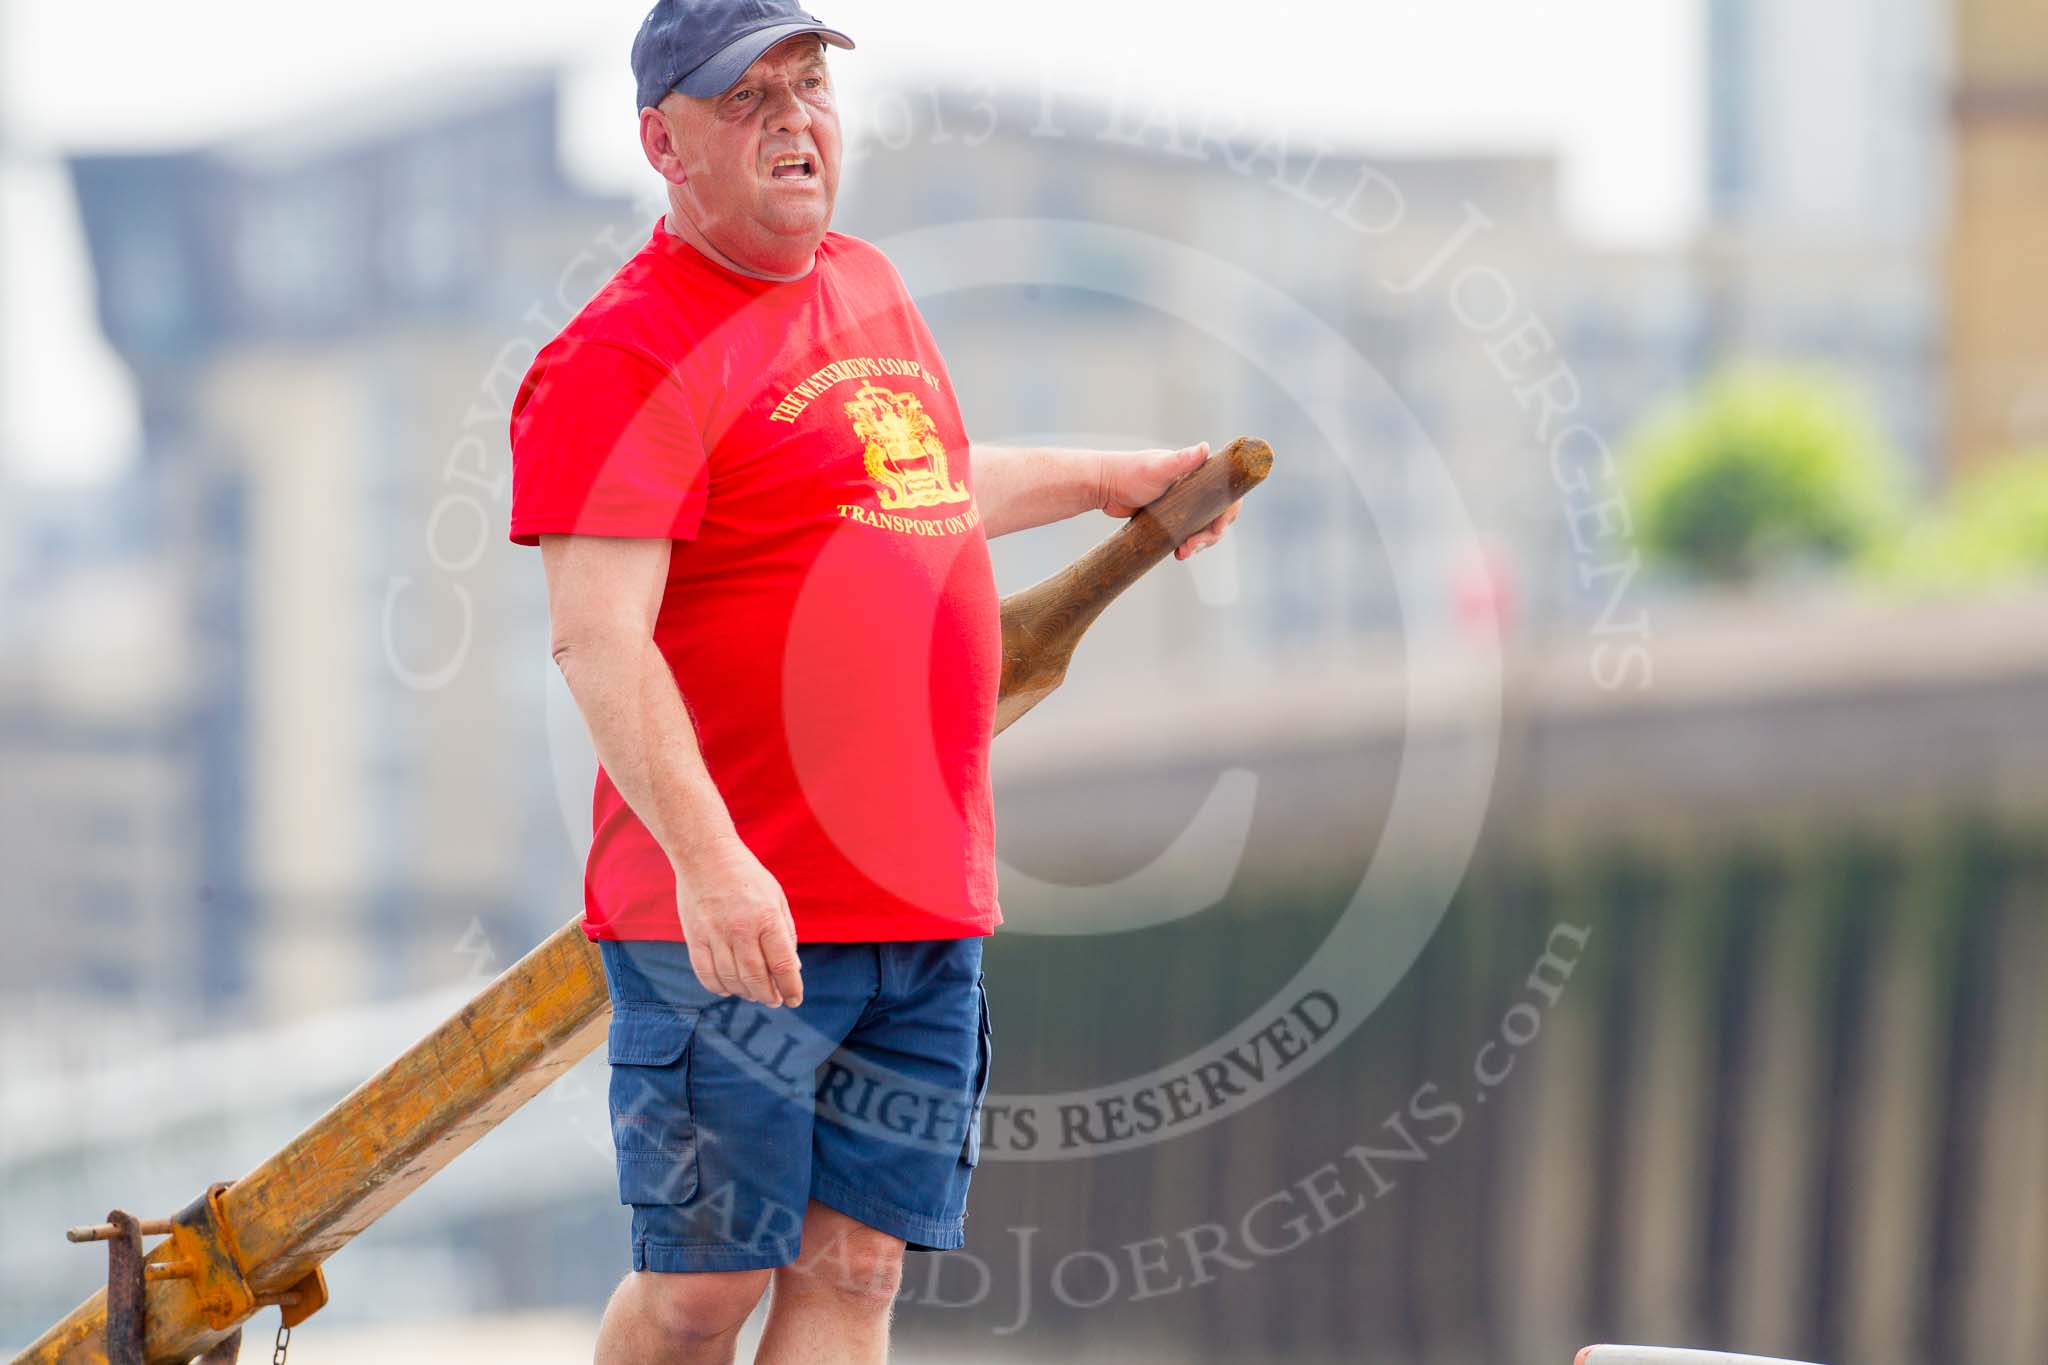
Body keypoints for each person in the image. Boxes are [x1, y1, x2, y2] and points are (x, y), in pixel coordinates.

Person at [507, 3, 1241, 1360]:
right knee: (702, 1289)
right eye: (747, 98)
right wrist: (712, 863)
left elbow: (917, 492)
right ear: (664, 144)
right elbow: (596, 633)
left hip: (920, 895)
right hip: (738, 905)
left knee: (852, 1276)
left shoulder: (868, 287)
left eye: (809, 86)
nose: (793, 118)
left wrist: (1104, 479)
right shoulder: (621, 355)